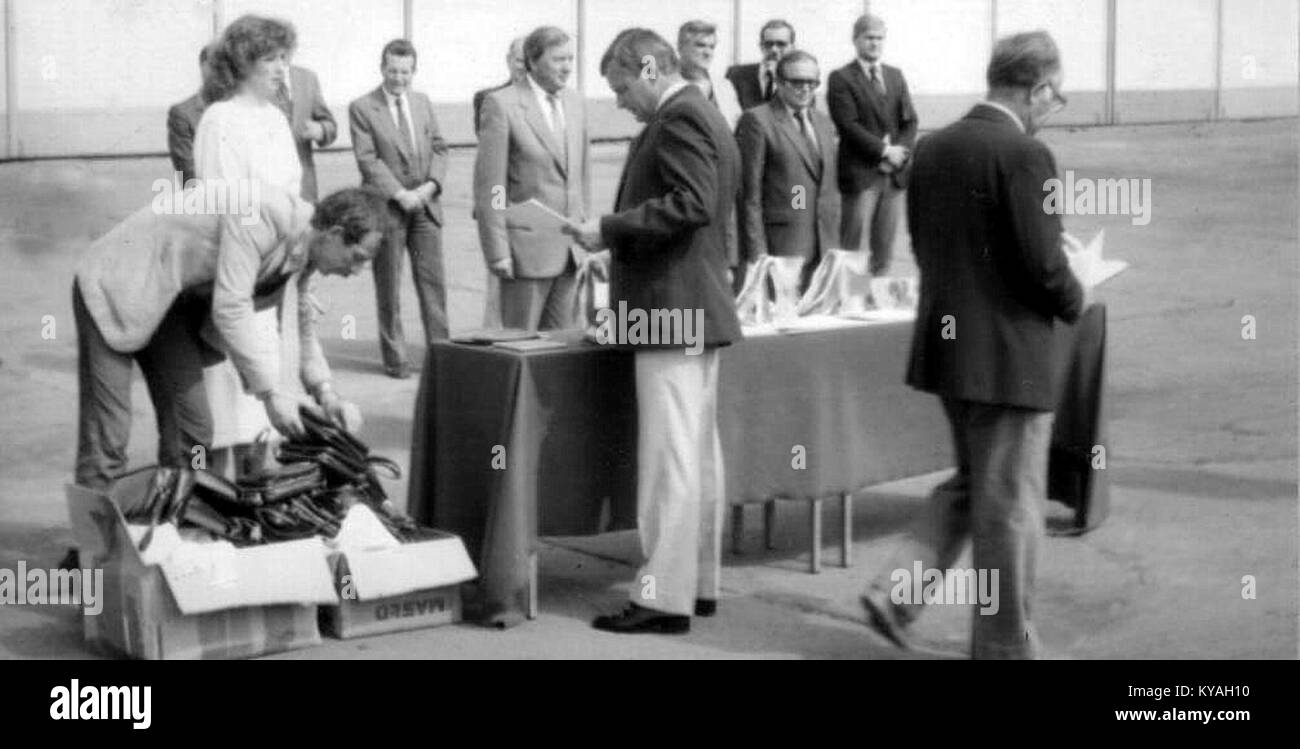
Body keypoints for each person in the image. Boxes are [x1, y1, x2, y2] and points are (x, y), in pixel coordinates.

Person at [857, 31, 1084, 660]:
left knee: (972, 485)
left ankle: (895, 593)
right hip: (1010, 359)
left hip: (951, 352)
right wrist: (1078, 292)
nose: (1052, 107)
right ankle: (1005, 647)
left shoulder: (932, 148)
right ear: (1036, 88)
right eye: (1054, 96)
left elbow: (927, 248)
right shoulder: (1025, 154)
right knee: (1010, 508)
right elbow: (1042, 265)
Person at [566, 29, 742, 634]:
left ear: (648, 69)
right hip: (694, 306)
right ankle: (697, 583)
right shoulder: (706, 113)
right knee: (696, 455)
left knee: (670, 459)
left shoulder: (677, 120)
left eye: (620, 88)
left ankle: (663, 597)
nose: (619, 101)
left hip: (669, 308)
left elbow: (692, 203)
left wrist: (608, 229)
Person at [73, 185, 387, 491]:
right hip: (115, 282)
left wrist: (326, 393)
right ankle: (94, 537)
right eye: (357, 257)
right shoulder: (260, 217)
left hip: (170, 299)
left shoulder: (308, 242)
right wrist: (270, 394)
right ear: (333, 234)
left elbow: (302, 324)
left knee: (194, 429)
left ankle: (176, 517)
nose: (357, 270)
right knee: (109, 434)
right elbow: (231, 308)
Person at [193, 14, 308, 449]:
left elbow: (293, 197)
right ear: (242, 65)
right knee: (235, 411)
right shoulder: (221, 120)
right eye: (270, 59)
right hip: (240, 276)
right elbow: (221, 203)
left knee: (275, 403)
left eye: (285, 58)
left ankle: (267, 504)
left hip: (280, 273)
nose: (282, 68)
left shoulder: (277, 119)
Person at [473, 26, 590, 332]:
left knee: (563, 349)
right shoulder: (502, 104)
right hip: (524, 253)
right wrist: (497, 250)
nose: (567, 67)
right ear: (533, 61)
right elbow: (491, 187)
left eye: (570, 59)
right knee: (521, 343)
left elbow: (581, 176)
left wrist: (587, 233)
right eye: (558, 60)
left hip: (570, 252)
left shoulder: (576, 103)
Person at [349, 39, 450, 379]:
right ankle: (395, 358)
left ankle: (441, 355)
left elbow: (440, 147)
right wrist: (399, 193)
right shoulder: (362, 107)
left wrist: (430, 186)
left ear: (414, 72)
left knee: (433, 285)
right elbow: (367, 159)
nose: (398, 78)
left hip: (426, 206)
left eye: (405, 72)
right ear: (382, 68)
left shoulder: (422, 103)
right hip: (389, 210)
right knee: (388, 286)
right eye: (392, 70)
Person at [736, 49, 838, 292]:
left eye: (812, 83)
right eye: (797, 82)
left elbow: (819, 185)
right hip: (781, 248)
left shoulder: (823, 122)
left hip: (824, 245)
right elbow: (750, 196)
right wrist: (757, 255)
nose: (805, 89)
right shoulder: (757, 121)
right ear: (779, 83)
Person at [826, 13, 917, 276]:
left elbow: (910, 121)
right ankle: (852, 300)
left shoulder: (895, 76)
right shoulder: (841, 78)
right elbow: (848, 124)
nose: (874, 44)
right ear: (856, 40)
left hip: (894, 174)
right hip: (861, 173)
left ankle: (876, 301)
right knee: (854, 245)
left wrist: (898, 153)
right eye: (868, 38)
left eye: (879, 38)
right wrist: (884, 151)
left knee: (884, 244)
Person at [273, 63, 339, 203]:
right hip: (267, 187)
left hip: (304, 187)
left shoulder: (307, 78)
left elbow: (330, 125)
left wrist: (321, 130)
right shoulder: (249, 78)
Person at [678, 20, 741, 131]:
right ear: (681, 47)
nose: (708, 52)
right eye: (701, 45)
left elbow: (736, 128)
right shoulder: (665, 84)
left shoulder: (725, 87)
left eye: (712, 47)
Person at [725, 19, 794, 111]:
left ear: (792, 47)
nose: (774, 49)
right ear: (761, 46)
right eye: (768, 44)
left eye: (781, 44)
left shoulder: (799, 81)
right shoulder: (736, 75)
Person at [166, 46, 209, 185]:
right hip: (207, 201)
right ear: (204, 68)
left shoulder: (242, 110)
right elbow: (188, 177)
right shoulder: (183, 113)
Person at [473, 37, 527, 136]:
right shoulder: (486, 98)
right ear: (508, 60)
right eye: (520, 61)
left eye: (530, 62)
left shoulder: (550, 100)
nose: (524, 67)